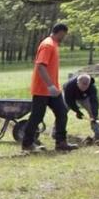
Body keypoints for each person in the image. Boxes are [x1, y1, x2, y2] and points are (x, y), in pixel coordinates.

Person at [22, 23, 77, 152]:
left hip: (52, 91)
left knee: (62, 112)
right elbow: (40, 66)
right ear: (60, 32)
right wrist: (50, 85)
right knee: (37, 116)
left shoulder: (54, 45)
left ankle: (61, 142)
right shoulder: (48, 45)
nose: (65, 37)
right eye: (65, 35)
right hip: (42, 89)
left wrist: (54, 87)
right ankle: (27, 144)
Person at [63, 73, 99, 138]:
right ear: (78, 82)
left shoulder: (92, 88)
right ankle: (57, 131)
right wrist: (78, 111)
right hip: (70, 97)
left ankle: (98, 131)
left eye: (87, 85)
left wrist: (94, 115)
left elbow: (94, 102)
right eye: (83, 84)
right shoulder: (69, 87)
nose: (85, 87)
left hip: (84, 98)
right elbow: (69, 102)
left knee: (92, 112)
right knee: (62, 113)